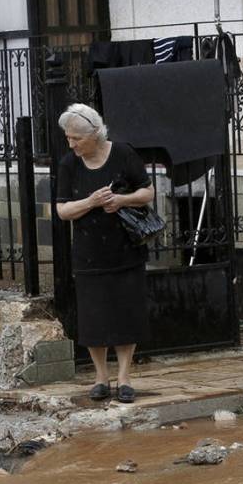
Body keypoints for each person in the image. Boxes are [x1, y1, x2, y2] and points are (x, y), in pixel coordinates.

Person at [55, 103, 155, 403]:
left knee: (126, 313)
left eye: (77, 138)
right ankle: (101, 377)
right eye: (68, 138)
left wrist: (121, 200)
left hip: (125, 249)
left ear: (95, 134)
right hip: (88, 252)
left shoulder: (123, 153)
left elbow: (148, 192)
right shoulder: (68, 165)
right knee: (93, 317)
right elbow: (62, 210)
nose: (71, 144)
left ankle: (124, 378)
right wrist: (91, 201)